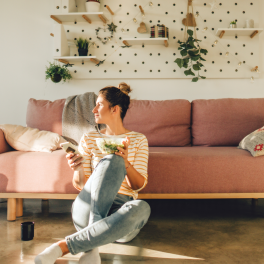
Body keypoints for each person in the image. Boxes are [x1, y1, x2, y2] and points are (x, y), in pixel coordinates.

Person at [35, 82, 151, 264]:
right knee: (111, 160)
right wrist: (78, 168)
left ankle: (70, 246)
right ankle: (91, 239)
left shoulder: (138, 140)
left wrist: (125, 162)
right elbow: (83, 186)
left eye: (99, 104)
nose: (93, 109)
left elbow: (138, 185)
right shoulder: (89, 138)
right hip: (88, 207)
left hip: (119, 214)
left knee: (142, 208)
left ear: (115, 109)